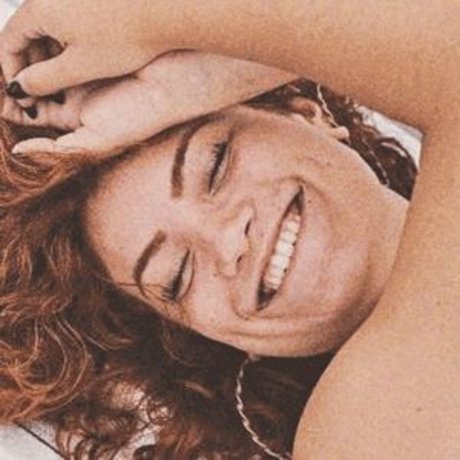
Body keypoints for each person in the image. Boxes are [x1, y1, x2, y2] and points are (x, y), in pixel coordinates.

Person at [0, 1, 458, 459]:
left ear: (307, 114)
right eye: (177, 275)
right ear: (209, 340)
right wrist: (166, 22)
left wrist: (215, 71)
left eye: (216, 166)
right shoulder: (357, 436)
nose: (227, 240)